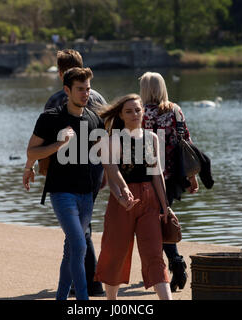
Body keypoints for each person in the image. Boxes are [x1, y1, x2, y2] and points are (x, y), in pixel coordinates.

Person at [23, 67, 104, 300]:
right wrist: (57, 145)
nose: (86, 94)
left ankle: (61, 298)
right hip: (61, 192)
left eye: (88, 89)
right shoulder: (51, 118)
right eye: (80, 89)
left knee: (71, 251)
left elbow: (104, 156)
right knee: (79, 246)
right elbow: (32, 150)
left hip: (86, 194)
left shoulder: (94, 118)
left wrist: (119, 185)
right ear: (67, 90)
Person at [94, 94, 174, 300]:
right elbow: (112, 174)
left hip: (150, 202)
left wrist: (165, 206)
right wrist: (121, 196)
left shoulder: (152, 138)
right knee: (115, 252)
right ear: (120, 115)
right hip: (122, 202)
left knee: (154, 254)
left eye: (138, 110)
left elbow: (156, 174)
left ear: (143, 111)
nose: (134, 114)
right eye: (128, 111)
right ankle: (111, 300)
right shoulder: (112, 140)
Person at [42, 49, 106, 296]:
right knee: (81, 229)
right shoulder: (98, 97)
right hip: (95, 170)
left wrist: (38, 167)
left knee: (78, 234)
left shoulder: (56, 99)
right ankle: (83, 284)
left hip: (67, 174)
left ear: (61, 74)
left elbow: (45, 136)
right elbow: (106, 137)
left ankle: (88, 284)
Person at [139, 71, 199, 292]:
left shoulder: (140, 113)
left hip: (149, 177)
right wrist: (192, 177)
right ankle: (171, 264)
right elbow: (187, 143)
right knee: (163, 218)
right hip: (174, 176)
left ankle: (175, 263)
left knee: (156, 222)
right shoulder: (175, 110)